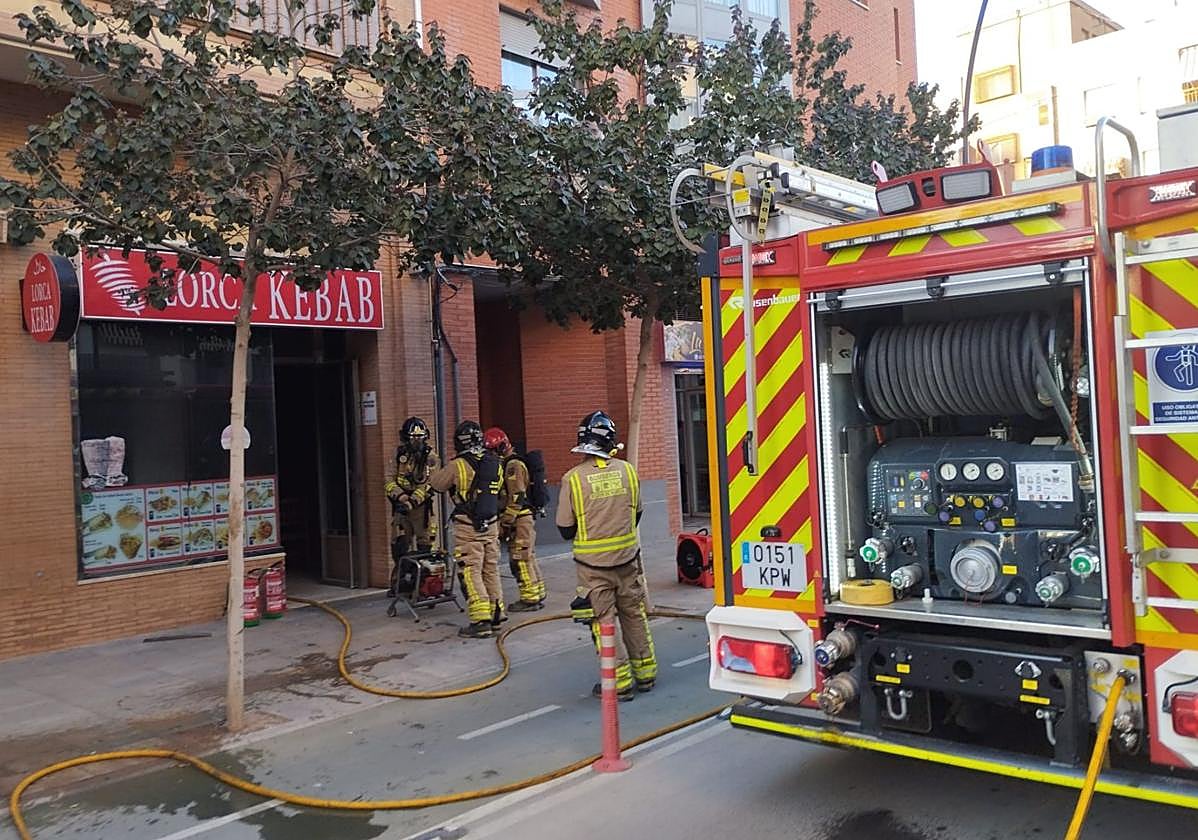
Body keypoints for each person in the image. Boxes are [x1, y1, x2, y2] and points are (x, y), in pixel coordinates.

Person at [555, 410, 657, 701]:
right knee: (634, 615)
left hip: (593, 568)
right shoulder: (628, 470)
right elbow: (637, 513)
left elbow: (564, 529)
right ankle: (646, 673)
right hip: (628, 560)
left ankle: (619, 682)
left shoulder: (572, 479)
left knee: (603, 620)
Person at [429, 420, 505, 638]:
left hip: (467, 526)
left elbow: (437, 484)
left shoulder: (458, 465)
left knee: (471, 570)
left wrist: (435, 464)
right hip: (491, 524)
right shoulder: (494, 462)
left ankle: (481, 621)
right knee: (490, 568)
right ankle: (496, 614)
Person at [485, 427, 546, 611]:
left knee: (519, 558)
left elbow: (517, 495)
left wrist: (505, 521)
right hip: (521, 518)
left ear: (502, 447)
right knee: (528, 556)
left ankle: (530, 599)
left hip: (520, 518)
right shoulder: (510, 463)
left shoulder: (513, 466)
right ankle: (537, 590)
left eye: (493, 450)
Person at [384, 418, 439, 588]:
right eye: (413, 437)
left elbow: (431, 483)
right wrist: (400, 496)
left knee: (425, 547)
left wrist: (413, 501)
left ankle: (422, 584)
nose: (417, 441)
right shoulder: (398, 454)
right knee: (399, 545)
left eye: (420, 437)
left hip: (422, 509)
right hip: (401, 506)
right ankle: (398, 584)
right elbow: (388, 479)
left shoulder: (431, 457)